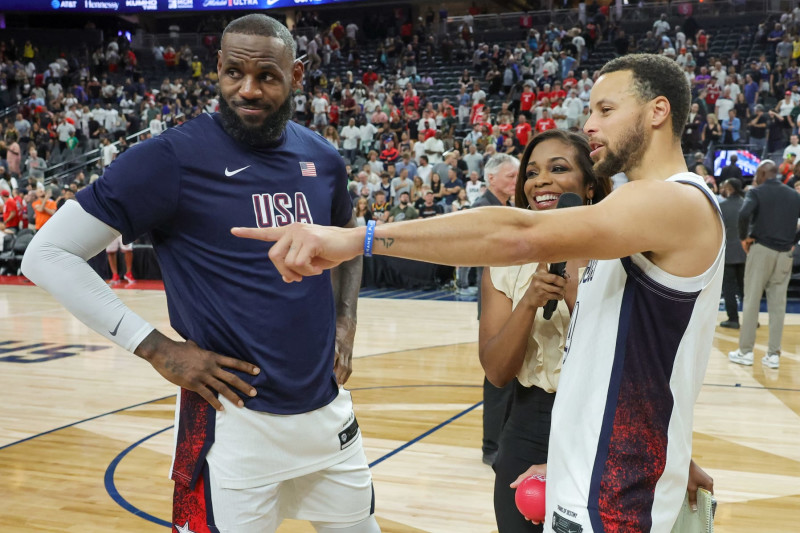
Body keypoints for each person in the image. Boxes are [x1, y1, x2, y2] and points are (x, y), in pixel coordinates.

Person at [235, 54, 720, 531]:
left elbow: (516, 234)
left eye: (605, 110)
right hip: (590, 484)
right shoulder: (635, 227)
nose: (589, 125)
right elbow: (623, 365)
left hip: (619, 509)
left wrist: (355, 237)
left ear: (658, 111)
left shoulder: (674, 198)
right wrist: (613, 454)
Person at [22, 15, 378, 533]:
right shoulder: (168, 159)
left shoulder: (321, 158)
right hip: (231, 423)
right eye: (234, 73)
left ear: (296, 76)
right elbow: (47, 253)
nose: (248, 90)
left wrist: (346, 322)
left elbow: (351, 232)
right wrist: (158, 350)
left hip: (328, 416)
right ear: (217, 68)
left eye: (267, 77)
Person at [481, 130, 611, 533]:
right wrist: (529, 302)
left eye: (559, 168)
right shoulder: (503, 262)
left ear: (589, 184)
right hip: (527, 424)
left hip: (601, 424)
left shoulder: (620, 257)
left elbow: (627, 363)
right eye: (531, 172)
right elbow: (497, 372)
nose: (541, 180)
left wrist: (572, 276)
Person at [468, 153, 520, 466]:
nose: (516, 181)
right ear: (491, 179)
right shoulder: (481, 209)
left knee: (511, 373)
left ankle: (503, 440)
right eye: (510, 177)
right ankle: (491, 446)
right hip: (494, 301)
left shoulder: (509, 208)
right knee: (497, 376)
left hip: (511, 298)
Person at [729, 159, 800, 370]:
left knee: (751, 300)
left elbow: (743, 214)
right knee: (778, 306)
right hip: (785, 254)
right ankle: (773, 355)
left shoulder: (757, 192)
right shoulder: (794, 195)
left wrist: (744, 237)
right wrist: (793, 242)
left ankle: (745, 351)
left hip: (761, 251)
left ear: (761, 173)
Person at [718, 178, 747, 329]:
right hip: (746, 252)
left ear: (729, 189)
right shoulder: (747, 204)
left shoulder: (722, 206)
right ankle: (750, 320)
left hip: (728, 252)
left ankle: (733, 319)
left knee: (729, 287)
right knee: (746, 288)